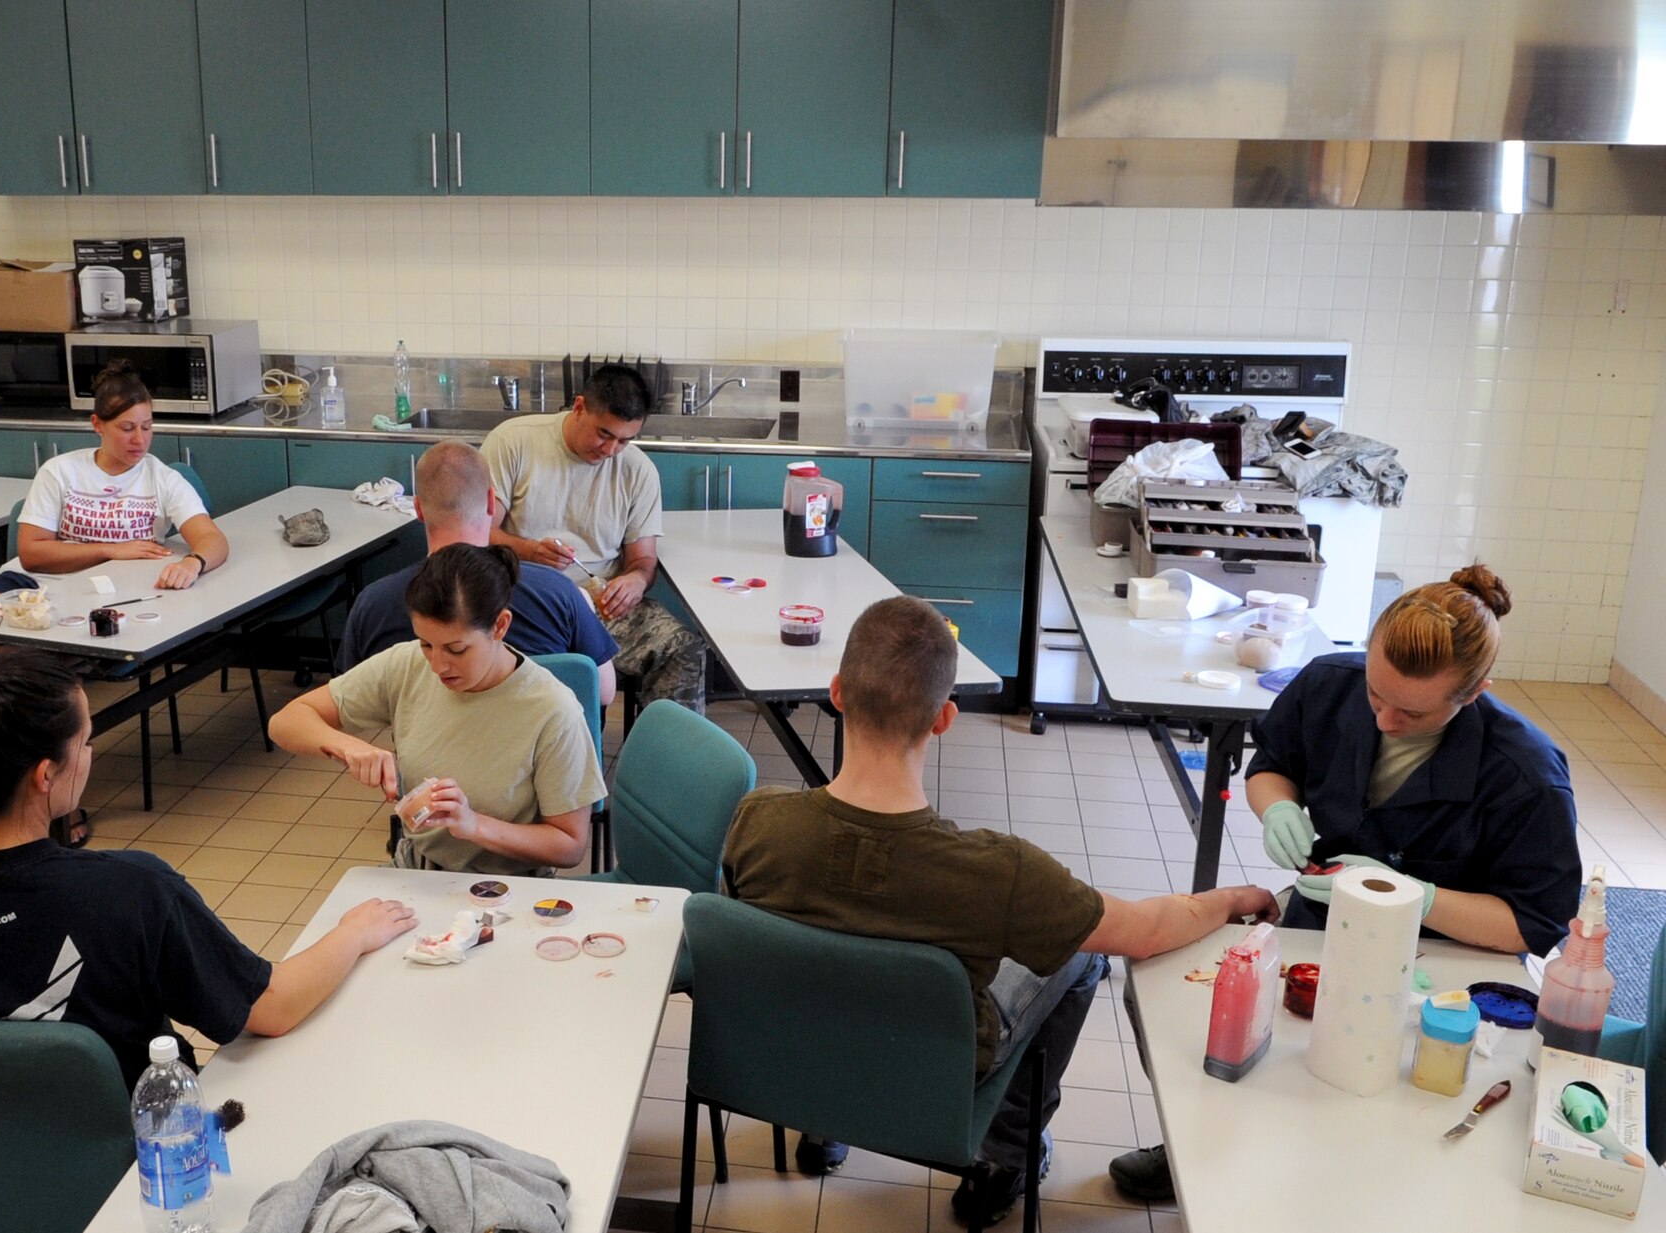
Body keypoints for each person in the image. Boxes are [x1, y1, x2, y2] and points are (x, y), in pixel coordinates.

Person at [722, 597, 1278, 1227]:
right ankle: (1006, 1157)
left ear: (838, 693)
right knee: (1083, 954)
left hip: (797, 1054)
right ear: (945, 718)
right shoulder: (999, 871)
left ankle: (826, 1127)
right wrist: (1233, 898)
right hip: (935, 1065)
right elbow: (1146, 933)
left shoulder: (757, 821)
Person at [1106, 564, 1581, 1203]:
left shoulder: (1525, 775)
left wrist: (1415, 895)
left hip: (1443, 960)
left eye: (1410, 712)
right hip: (1321, 917)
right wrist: (1275, 806)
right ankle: (1201, 1145)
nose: (1383, 720)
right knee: (1186, 1003)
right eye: (1375, 695)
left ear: (1472, 694)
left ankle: (1357, 1186)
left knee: (1381, 1084)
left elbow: (1532, 923)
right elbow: (1272, 766)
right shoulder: (1331, 683)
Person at [0, 645, 416, 1089]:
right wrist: (353, 932)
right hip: (116, 1181)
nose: (88, 756)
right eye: (85, 743)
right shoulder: (129, 894)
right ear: (45, 774)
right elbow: (270, 1009)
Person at [270, 544, 605, 876]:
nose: (438, 665)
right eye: (426, 644)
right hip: (419, 867)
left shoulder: (553, 710)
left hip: (508, 886)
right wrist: (348, 746)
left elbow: (569, 845)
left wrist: (473, 825)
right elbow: (285, 722)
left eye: (456, 649)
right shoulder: (406, 664)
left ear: (500, 626)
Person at [480, 362, 706, 714]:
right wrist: (528, 551)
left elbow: (643, 561)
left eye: (625, 440)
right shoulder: (514, 441)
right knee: (564, 678)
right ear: (579, 406)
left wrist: (634, 581)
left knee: (682, 649)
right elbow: (477, 533)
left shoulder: (638, 470)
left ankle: (658, 759)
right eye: (604, 434)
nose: (610, 450)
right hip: (527, 603)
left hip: (602, 607)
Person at [340, 440, 620, 706]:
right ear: (490, 501)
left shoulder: (372, 604)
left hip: (422, 753)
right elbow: (603, 692)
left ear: (418, 509)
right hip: (535, 752)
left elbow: (349, 700)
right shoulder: (557, 591)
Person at [0, 360, 229, 615]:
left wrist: (193, 563)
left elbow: (212, 540)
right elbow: (31, 553)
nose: (140, 439)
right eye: (127, 428)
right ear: (97, 424)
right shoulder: (59, 471)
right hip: (30, 583)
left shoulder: (163, 478)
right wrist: (108, 549)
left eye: (146, 427)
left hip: (115, 592)